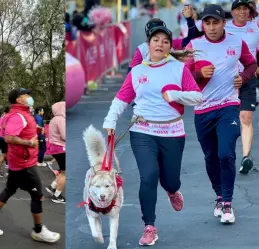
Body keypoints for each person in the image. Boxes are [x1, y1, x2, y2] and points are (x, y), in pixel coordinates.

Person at [103, 25, 203, 245]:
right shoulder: (138, 71)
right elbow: (122, 99)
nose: (160, 44)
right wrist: (110, 121)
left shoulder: (178, 69)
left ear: (170, 47)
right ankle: (149, 226)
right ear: (148, 45)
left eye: (165, 41)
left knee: (170, 180)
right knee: (148, 176)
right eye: (156, 40)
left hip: (173, 132)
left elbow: (197, 97)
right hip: (142, 131)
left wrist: (175, 95)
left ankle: (173, 190)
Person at [185, 4, 257, 223]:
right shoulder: (194, 45)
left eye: (216, 22)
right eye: (207, 23)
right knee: (210, 157)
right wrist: (198, 74)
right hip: (203, 109)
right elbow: (182, 77)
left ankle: (227, 203)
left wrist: (243, 78)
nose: (212, 27)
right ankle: (219, 195)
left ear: (223, 23)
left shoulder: (236, 42)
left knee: (226, 153)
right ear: (202, 24)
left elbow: (252, 64)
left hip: (228, 106)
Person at [0, 88, 60, 243]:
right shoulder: (18, 115)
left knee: (9, 189)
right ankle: (38, 231)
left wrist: (35, 129)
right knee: (37, 195)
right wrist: (29, 142)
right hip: (25, 164)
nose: (30, 97)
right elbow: (9, 137)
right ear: (19, 99)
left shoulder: (20, 113)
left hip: (18, 162)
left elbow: (18, 129)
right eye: (27, 95)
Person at [224, 0, 259, 174]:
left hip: (248, 77)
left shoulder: (255, 28)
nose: (242, 12)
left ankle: (246, 156)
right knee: (228, 120)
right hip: (227, 79)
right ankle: (225, 155)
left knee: (245, 117)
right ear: (232, 11)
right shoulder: (225, 28)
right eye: (239, 9)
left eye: (246, 9)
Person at [128, 6, 200, 73]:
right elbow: (131, 73)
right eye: (156, 38)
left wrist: (190, 20)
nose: (160, 44)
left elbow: (190, 40)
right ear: (148, 37)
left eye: (161, 33)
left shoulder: (169, 43)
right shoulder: (142, 49)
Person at [45, 102, 66, 204]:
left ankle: (52, 186)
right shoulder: (61, 120)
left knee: (63, 171)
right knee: (65, 173)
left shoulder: (53, 120)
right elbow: (64, 136)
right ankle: (57, 195)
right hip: (61, 148)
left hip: (54, 148)